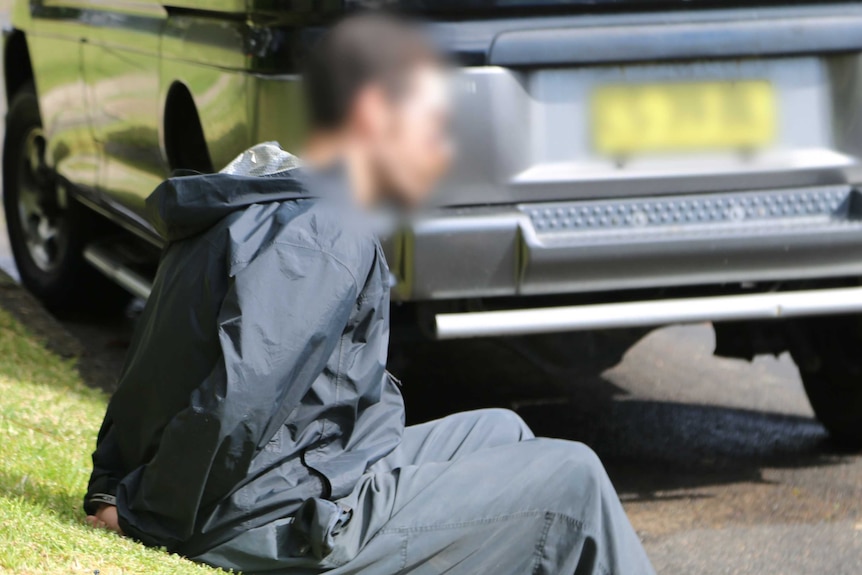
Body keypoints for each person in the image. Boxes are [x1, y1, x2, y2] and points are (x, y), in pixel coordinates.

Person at [84, 12, 655, 575]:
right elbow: (239, 395)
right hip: (266, 517)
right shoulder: (327, 234)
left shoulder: (275, 198)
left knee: (501, 429)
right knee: (574, 480)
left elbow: (158, 376)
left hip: (280, 472)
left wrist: (116, 477)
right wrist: (141, 513)